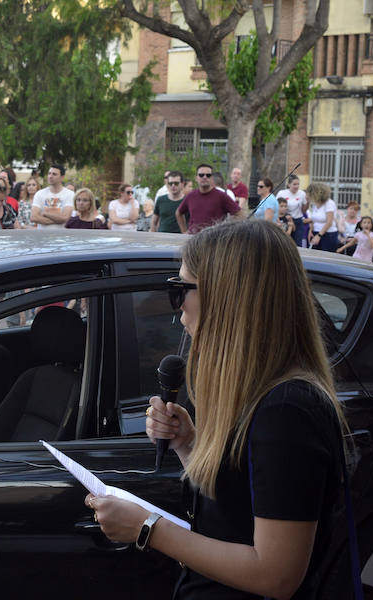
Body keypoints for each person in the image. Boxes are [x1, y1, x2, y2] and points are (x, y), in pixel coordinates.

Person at [88, 218, 347, 599]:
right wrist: (188, 444)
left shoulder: (287, 410)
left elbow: (276, 574)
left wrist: (148, 528)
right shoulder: (260, 395)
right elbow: (237, 512)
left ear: (228, 297)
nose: (177, 309)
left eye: (181, 290)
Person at [175, 164, 241, 234]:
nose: (204, 177)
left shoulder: (221, 196)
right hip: (193, 240)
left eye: (208, 175)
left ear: (212, 178)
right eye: (201, 175)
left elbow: (239, 214)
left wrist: (227, 231)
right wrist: (184, 232)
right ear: (196, 178)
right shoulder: (191, 196)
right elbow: (178, 213)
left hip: (214, 239)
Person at [306, 182, 338, 252]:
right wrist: (311, 230)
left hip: (328, 235)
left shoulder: (329, 203)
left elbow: (329, 222)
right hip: (316, 232)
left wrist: (319, 236)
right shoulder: (315, 204)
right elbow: (314, 219)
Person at [276, 175, 307, 247]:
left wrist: (308, 202)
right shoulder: (282, 193)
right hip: (285, 221)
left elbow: (304, 209)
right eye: (294, 184)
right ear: (289, 184)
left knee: (297, 245)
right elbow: (275, 206)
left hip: (298, 221)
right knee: (285, 244)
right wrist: (278, 220)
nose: (296, 186)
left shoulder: (302, 193)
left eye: (298, 184)